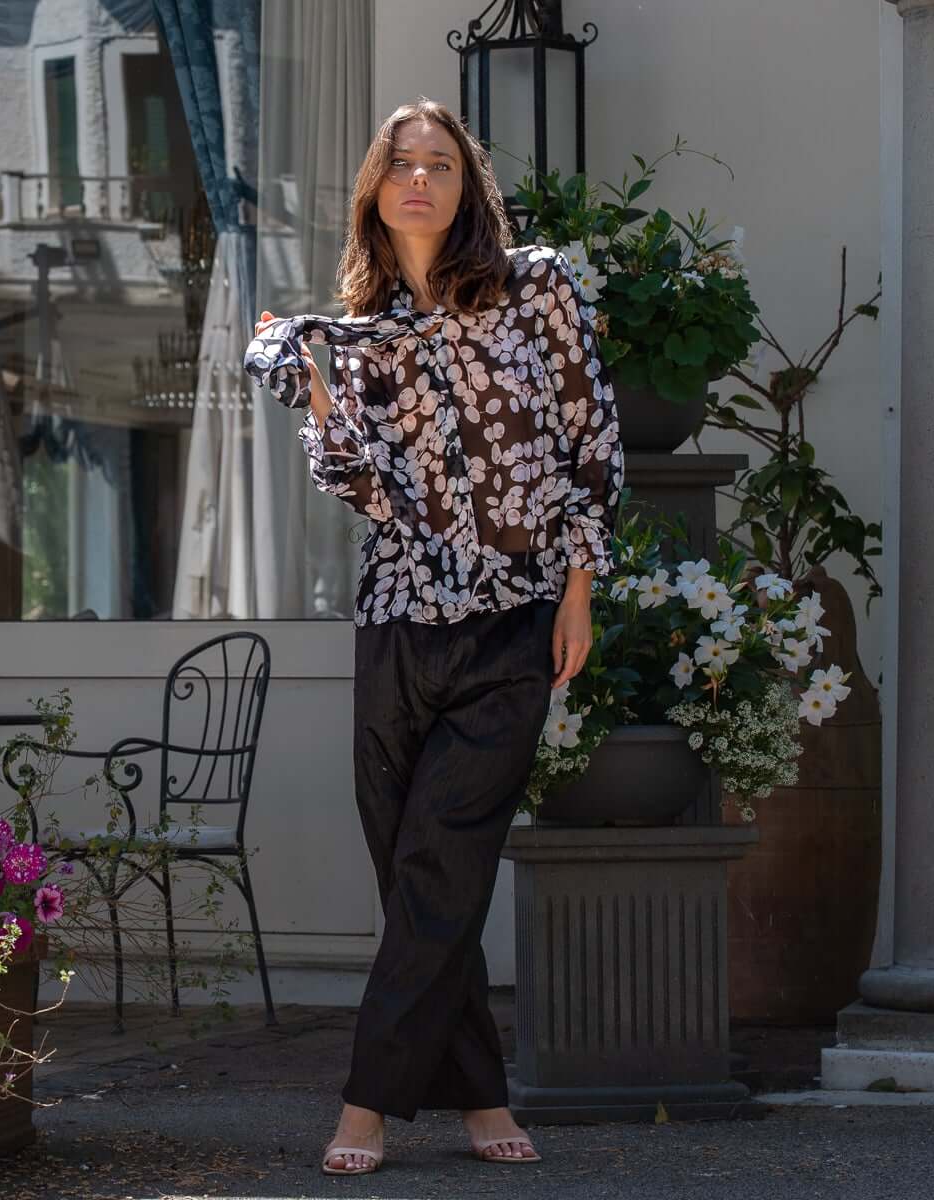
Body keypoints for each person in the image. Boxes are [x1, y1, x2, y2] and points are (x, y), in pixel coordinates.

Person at [243, 97, 623, 1175]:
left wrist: (578, 593)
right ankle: (482, 1099)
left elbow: (593, 439)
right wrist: (316, 390)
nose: (420, 179)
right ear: (375, 188)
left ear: (469, 185)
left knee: (440, 863)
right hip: (398, 626)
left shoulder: (536, 286)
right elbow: (367, 490)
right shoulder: (359, 332)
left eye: (441, 164)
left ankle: (365, 1105)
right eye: (402, 163)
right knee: (417, 876)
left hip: (514, 621)